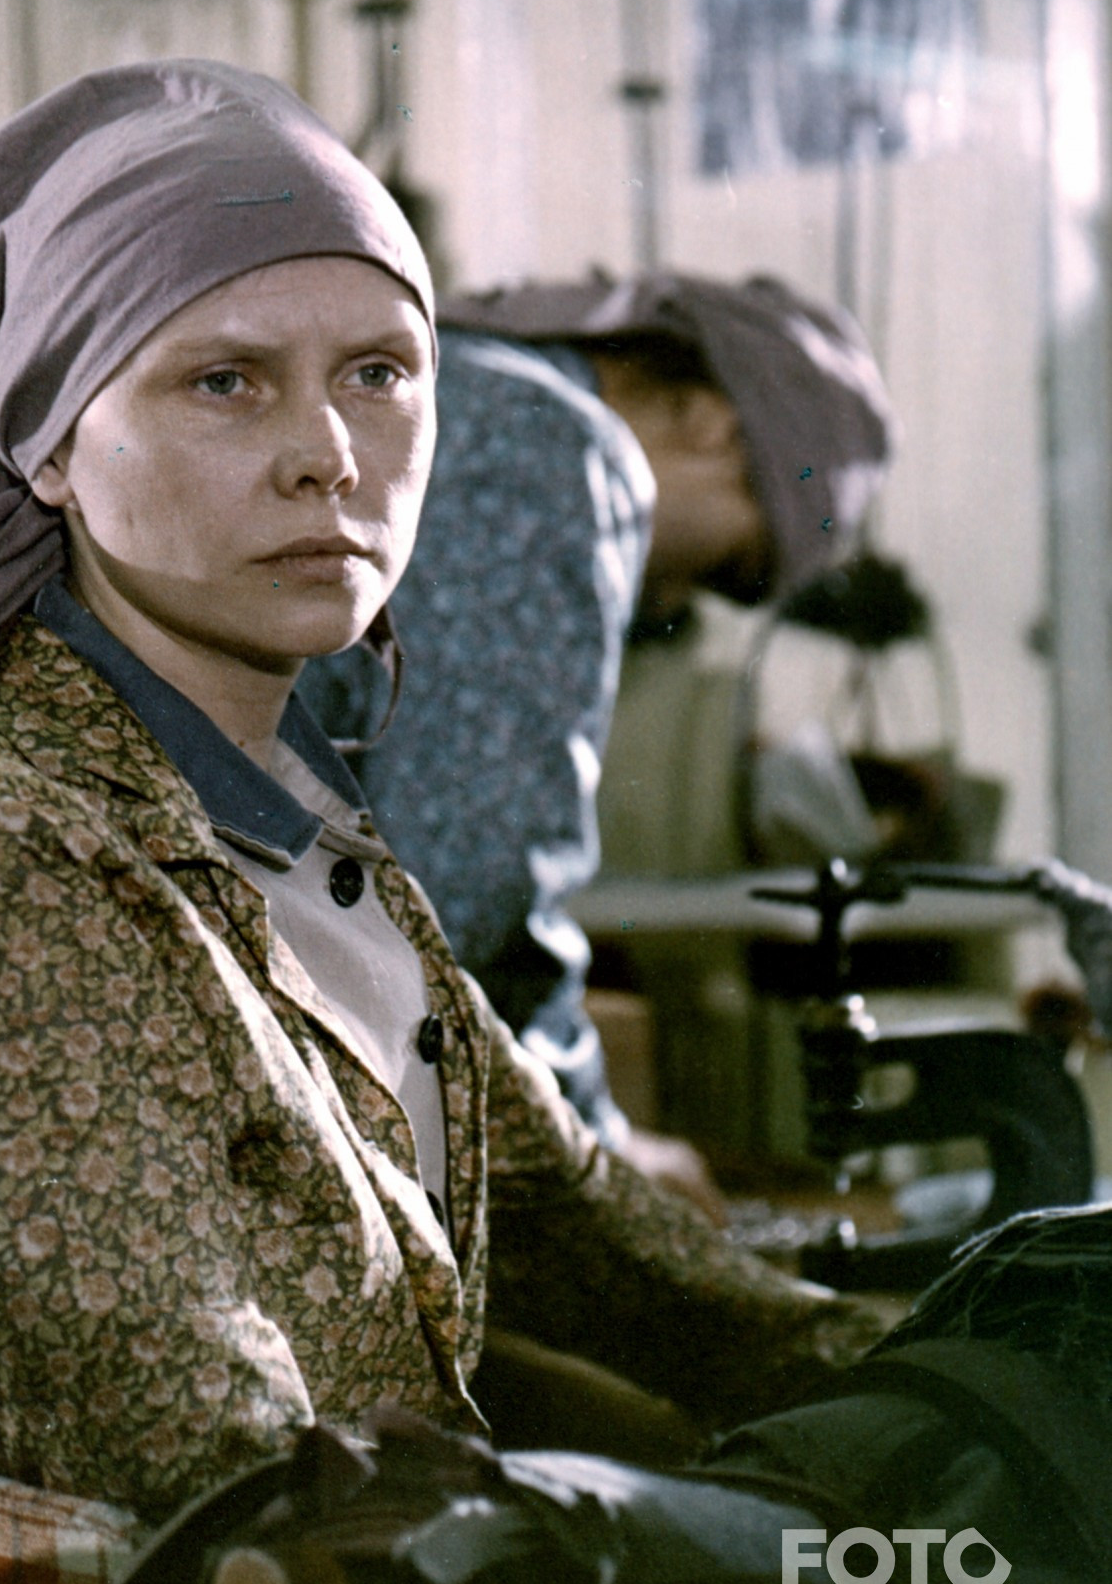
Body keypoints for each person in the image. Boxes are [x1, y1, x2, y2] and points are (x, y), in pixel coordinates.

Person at [0, 62, 883, 1540]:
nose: (330, 454)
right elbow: (213, 1467)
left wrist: (929, 1369)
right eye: (226, 381)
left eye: (380, 374)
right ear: (49, 443)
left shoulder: (280, 815)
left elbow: (570, 1221)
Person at [302, 274, 893, 1204]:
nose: (670, 598)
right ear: (710, 425)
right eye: (726, 567)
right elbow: (470, 898)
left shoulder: (448, 382)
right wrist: (599, 1149)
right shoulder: (558, 450)